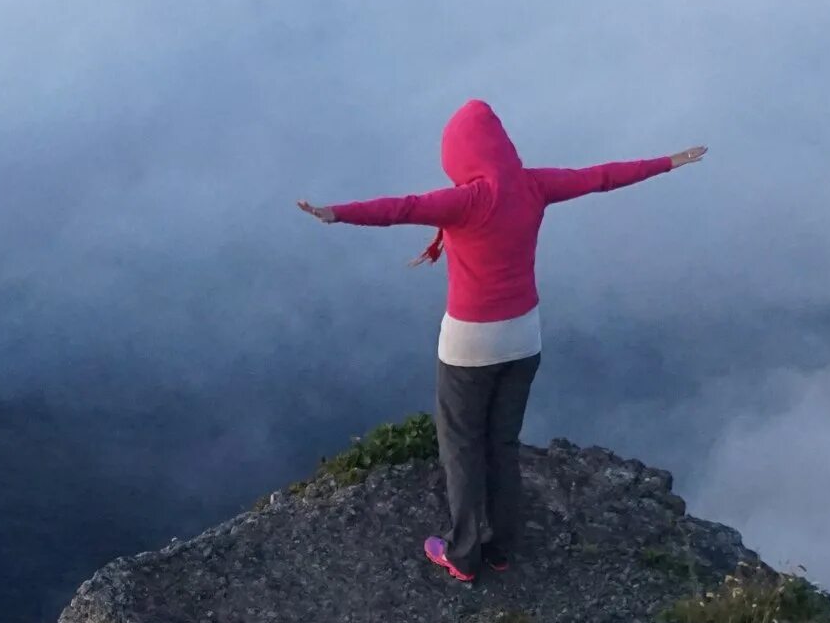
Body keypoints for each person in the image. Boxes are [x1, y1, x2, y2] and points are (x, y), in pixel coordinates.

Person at [300, 99, 707, 582]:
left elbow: (402, 208)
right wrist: (668, 161)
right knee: (503, 443)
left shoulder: (468, 200)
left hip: (469, 344)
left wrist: (336, 214)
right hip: (523, 338)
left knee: (462, 445)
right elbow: (600, 176)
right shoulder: (534, 185)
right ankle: (500, 549)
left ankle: (463, 554)